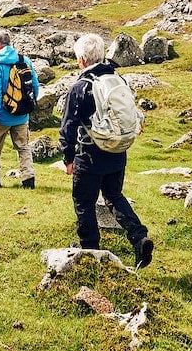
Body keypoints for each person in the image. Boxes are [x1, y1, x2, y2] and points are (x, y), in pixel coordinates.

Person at [59, 33, 153, 268]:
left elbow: (68, 126)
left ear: (81, 60)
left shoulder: (80, 87)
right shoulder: (117, 80)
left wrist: (68, 158)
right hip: (117, 151)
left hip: (89, 155)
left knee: (84, 202)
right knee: (114, 196)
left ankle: (90, 250)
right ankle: (139, 237)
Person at [0, 29, 39, 188]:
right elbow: (34, 86)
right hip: (22, 115)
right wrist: (28, 106)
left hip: (1, 116)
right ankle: (28, 179)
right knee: (23, 147)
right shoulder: (24, 60)